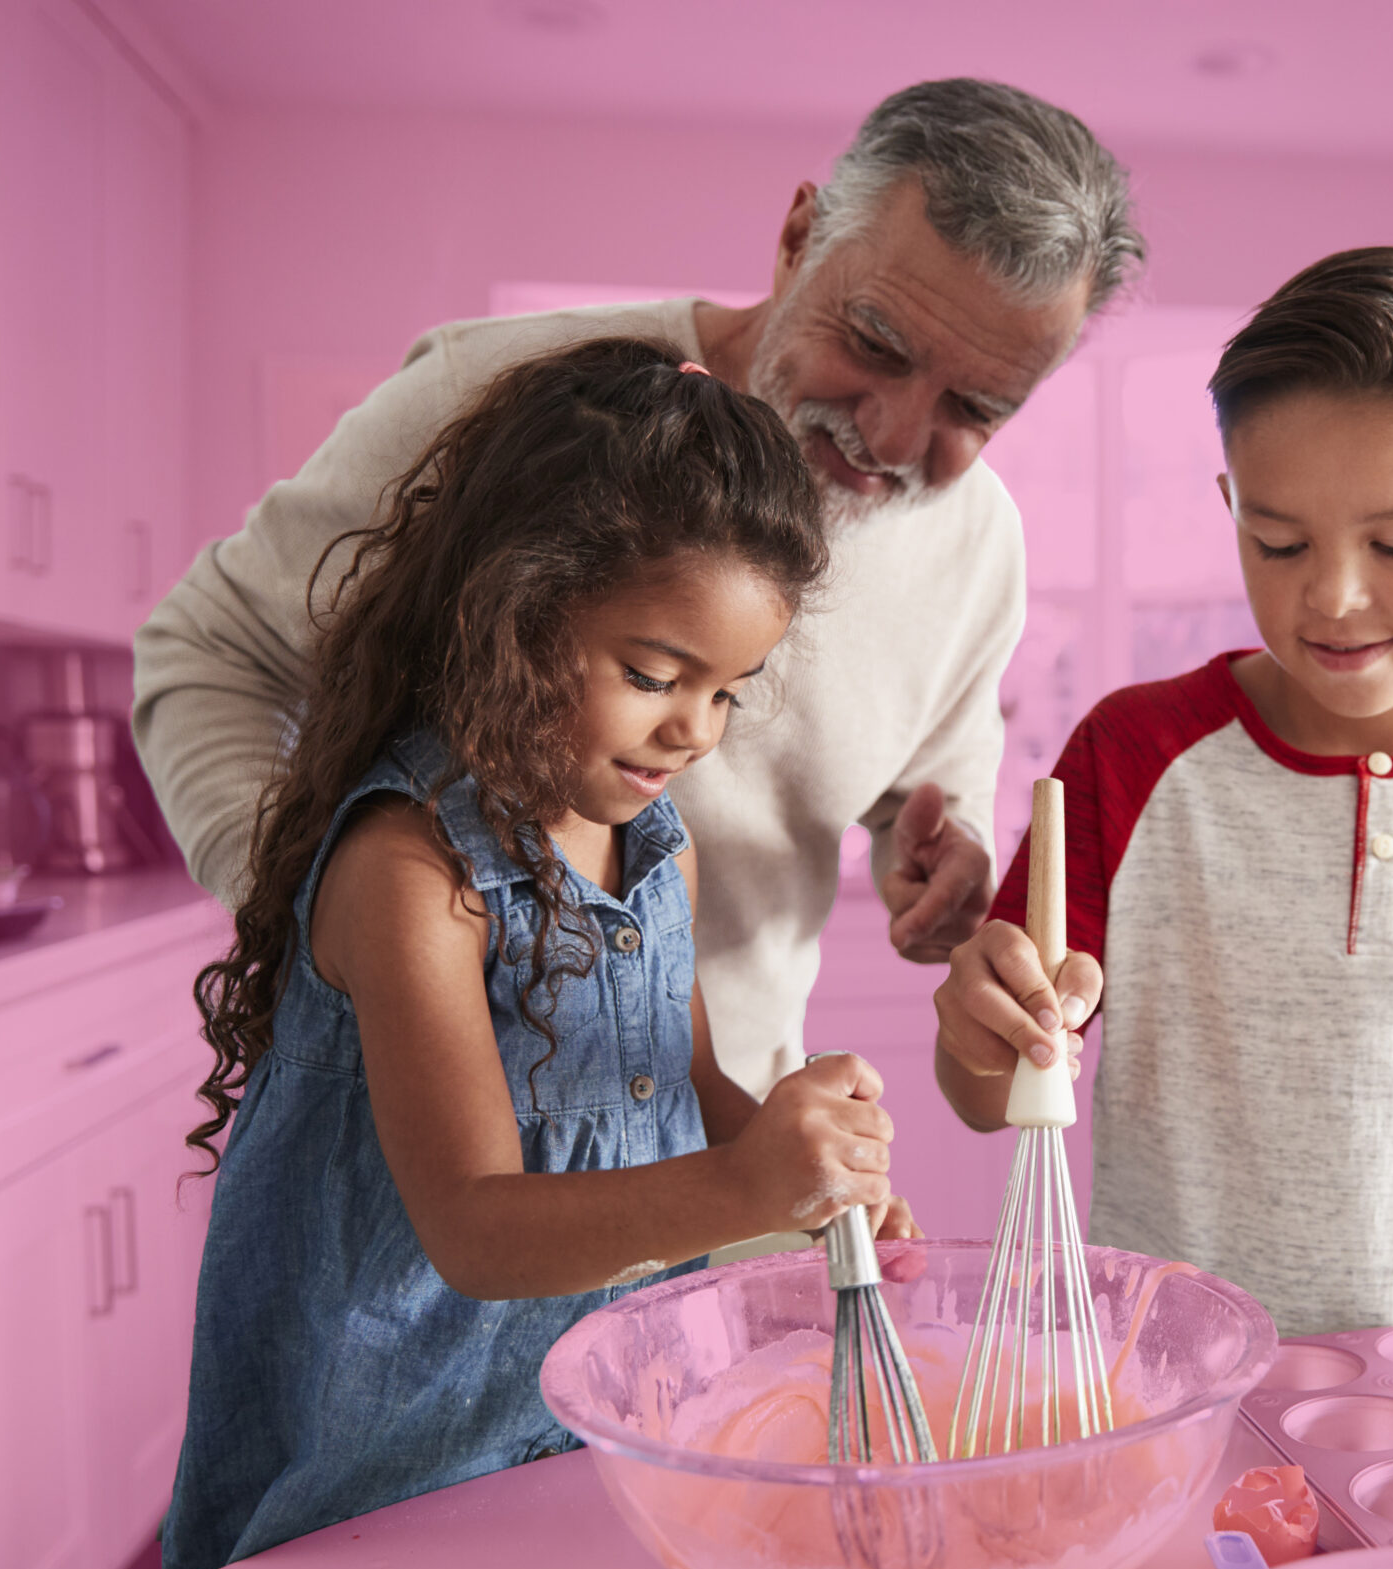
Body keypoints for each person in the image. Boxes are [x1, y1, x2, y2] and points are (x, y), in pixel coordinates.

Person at [133, 79, 1143, 1096]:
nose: (889, 439)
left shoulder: (979, 548)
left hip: (724, 1138)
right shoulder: (505, 406)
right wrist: (315, 908)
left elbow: (921, 796)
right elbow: (211, 653)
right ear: (800, 235)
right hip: (417, 1123)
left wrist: (934, 863)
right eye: (874, 344)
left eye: (974, 406)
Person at [162, 339, 918, 1569]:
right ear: (514, 614)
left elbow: (675, 1083)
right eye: (653, 677)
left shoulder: (652, 846)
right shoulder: (413, 878)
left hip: (592, 1425)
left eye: (730, 692)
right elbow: (473, 1229)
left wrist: (797, 1162)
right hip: (388, 1467)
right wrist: (745, 1191)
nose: (694, 732)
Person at [931, 248, 1393, 1337]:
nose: (1332, 596)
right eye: (1277, 541)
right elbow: (995, 1094)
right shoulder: (1132, 755)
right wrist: (975, 1033)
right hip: (1169, 1380)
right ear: (1233, 507)